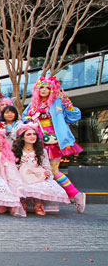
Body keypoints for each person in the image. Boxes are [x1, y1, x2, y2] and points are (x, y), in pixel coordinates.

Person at [22, 75, 86, 212]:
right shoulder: (32, 104)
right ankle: (47, 201)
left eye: (48, 88)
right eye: (41, 87)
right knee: (40, 170)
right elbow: (24, 118)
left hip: (53, 141)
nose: (44, 90)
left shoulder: (57, 103)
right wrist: (29, 119)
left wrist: (67, 101)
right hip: (36, 141)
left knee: (53, 170)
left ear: (52, 90)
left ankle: (76, 194)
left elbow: (74, 116)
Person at [12, 123, 70, 215]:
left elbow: (46, 166)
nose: (32, 136)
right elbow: (10, 165)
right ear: (22, 137)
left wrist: (47, 173)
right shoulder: (16, 151)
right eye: (29, 134)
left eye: (34, 134)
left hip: (37, 175)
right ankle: (22, 202)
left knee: (42, 185)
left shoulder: (41, 151)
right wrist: (17, 167)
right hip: (21, 175)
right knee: (19, 184)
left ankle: (38, 203)